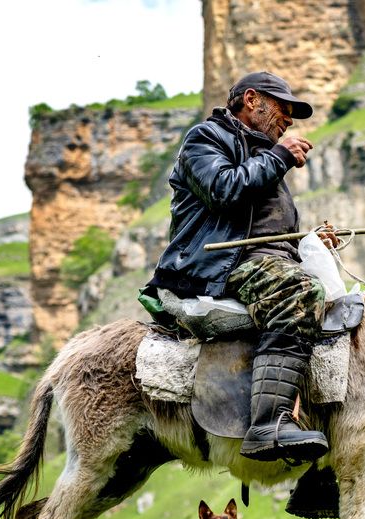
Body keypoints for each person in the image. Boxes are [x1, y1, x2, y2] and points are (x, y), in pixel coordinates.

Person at [144, 71, 337, 465]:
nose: (288, 121)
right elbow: (222, 190)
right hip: (216, 264)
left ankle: (322, 468)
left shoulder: (262, 154)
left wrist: (309, 241)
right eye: (283, 109)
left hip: (264, 262)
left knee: (341, 315)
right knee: (298, 292)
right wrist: (281, 154)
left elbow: (267, 232)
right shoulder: (205, 138)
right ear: (252, 100)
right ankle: (269, 424)